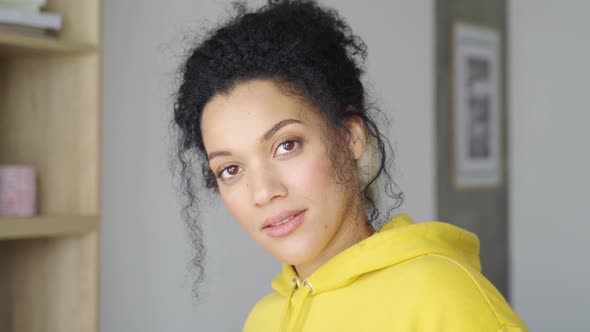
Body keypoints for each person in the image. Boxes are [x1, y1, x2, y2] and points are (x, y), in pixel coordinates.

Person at [171, 1, 528, 331]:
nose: (264, 192)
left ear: (351, 136)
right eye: (231, 169)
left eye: (286, 145)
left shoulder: (443, 297)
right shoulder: (263, 320)